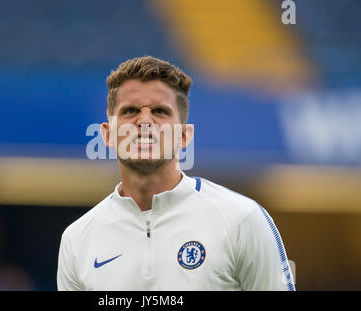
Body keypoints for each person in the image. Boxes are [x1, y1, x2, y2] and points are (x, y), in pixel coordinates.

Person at [57, 56, 295, 291]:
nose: (145, 121)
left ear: (184, 135)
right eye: (130, 111)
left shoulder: (242, 219)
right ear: (107, 134)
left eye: (160, 111)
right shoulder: (77, 238)